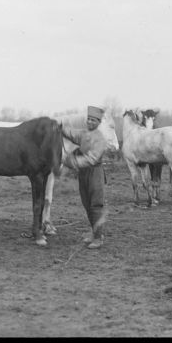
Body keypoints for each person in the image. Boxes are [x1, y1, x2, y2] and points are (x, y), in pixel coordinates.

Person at [62, 106, 109, 249]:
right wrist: (60, 127)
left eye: (93, 120)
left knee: (96, 205)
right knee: (87, 204)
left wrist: (73, 162)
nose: (90, 122)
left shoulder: (100, 138)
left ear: (99, 122)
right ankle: (94, 233)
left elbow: (92, 158)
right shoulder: (84, 134)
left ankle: (98, 238)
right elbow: (71, 133)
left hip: (95, 173)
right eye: (88, 119)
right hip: (83, 173)